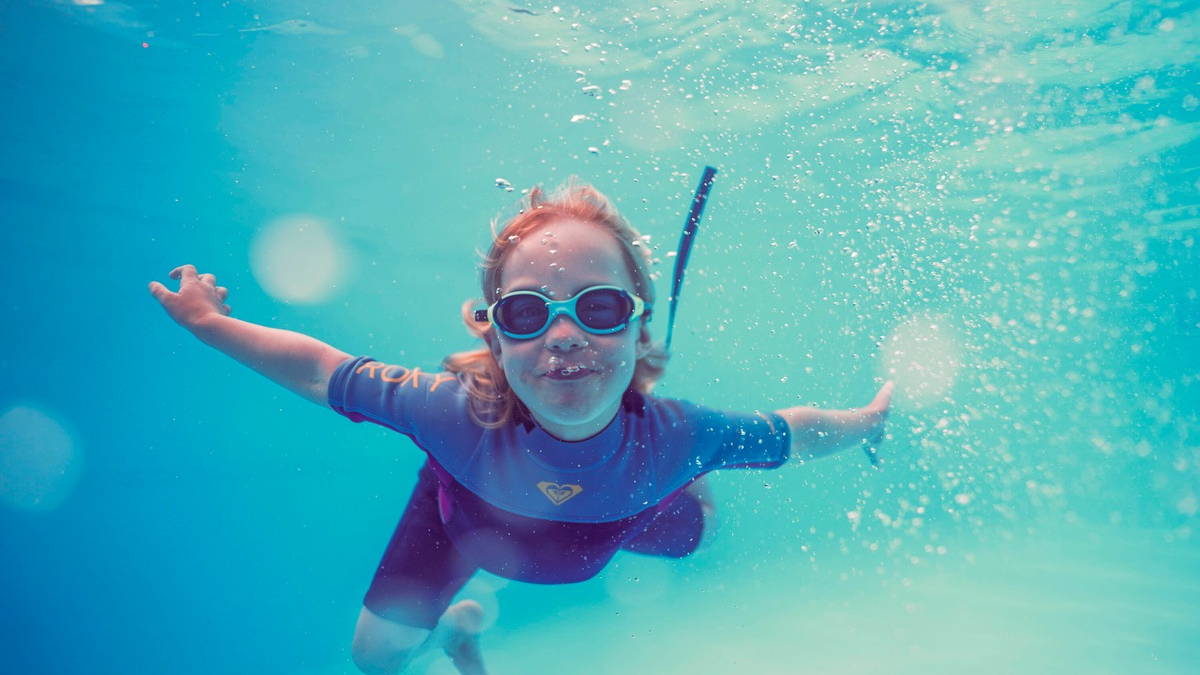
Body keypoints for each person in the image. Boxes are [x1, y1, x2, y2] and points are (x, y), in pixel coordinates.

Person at [149, 179, 894, 675]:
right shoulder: (450, 410)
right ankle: (462, 639)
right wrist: (211, 325)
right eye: (529, 314)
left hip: (615, 518)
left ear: (639, 328)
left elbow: (794, 433)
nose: (563, 335)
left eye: (598, 308)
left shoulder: (675, 434)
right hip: (462, 515)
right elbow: (324, 370)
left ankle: (679, 491)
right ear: (495, 338)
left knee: (699, 524)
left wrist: (867, 420)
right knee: (374, 657)